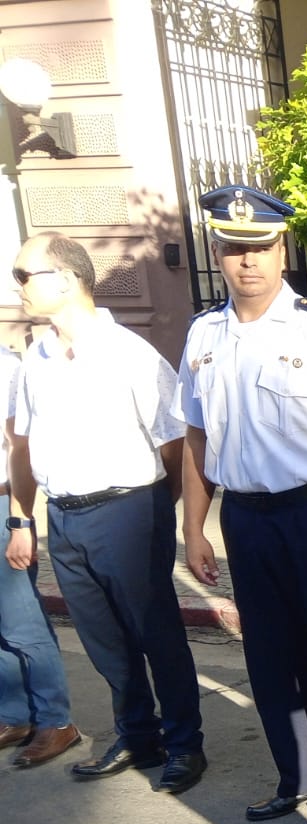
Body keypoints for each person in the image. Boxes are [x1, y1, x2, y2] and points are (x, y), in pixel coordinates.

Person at [179, 184, 307, 824]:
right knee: (269, 656)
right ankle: (297, 776)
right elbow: (197, 437)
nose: (249, 262)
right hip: (246, 517)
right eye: (235, 249)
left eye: (260, 246)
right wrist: (195, 528)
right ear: (217, 249)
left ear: (281, 246)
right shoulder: (203, 334)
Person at [5, 233, 205, 792]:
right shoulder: (36, 359)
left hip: (127, 511)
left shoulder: (128, 353)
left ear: (66, 280)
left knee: (156, 635)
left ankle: (185, 744)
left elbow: (175, 444)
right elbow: (22, 446)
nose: (16, 286)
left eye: (25, 275)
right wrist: (25, 518)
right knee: (103, 640)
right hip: (65, 519)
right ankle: (138, 735)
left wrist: (150, 512)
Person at [2, 345, 78, 767]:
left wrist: (20, 521)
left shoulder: (9, 368)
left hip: (2, 504)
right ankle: (14, 716)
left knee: (21, 622)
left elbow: (20, 447)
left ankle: (55, 720)